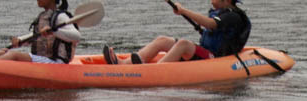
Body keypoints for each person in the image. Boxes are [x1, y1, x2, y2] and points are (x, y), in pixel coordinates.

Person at [103, 0, 250, 65]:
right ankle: (123, 64)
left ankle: (154, 71)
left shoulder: (232, 16)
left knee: (183, 44)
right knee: (162, 40)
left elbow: (211, 24)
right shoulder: (221, 12)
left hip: (215, 58)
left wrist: (184, 10)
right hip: (206, 52)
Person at [0, 0, 80, 63]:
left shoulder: (61, 16)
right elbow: (35, 36)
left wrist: (54, 32)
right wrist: (20, 41)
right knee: (1, 53)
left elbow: (76, 36)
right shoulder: (43, 16)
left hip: (56, 62)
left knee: (14, 55)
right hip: (42, 60)